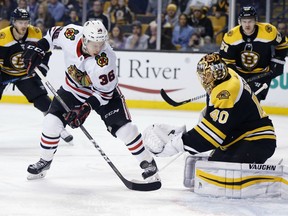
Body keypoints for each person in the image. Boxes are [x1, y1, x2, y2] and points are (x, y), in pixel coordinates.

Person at [22, 20, 159, 181]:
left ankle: (147, 162)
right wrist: (39, 48)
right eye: (95, 44)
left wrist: (86, 109)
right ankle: (45, 161)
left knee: (125, 130)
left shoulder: (106, 60)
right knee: (51, 123)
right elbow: (52, 34)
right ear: (85, 40)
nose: (99, 48)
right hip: (72, 90)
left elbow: (105, 93)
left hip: (102, 95)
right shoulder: (71, 34)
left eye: (102, 43)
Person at [143, 53, 276, 164]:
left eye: (206, 75)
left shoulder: (225, 92)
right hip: (239, 138)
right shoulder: (227, 74)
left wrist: (177, 144)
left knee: (221, 175)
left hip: (257, 140)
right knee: (212, 166)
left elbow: (213, 136)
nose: (204, 79)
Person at [0, 8, 73, 143]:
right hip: (4, 73)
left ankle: (59, 128)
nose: (24, 25)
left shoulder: (35, 33)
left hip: (25, 73)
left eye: (26, 22)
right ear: (13, 22)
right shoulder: (3, 37)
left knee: (42, 100)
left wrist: (42, 66)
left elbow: (46, 52)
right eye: (20, 22)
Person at [219, 6, 288, 101]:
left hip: (262, 74)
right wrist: (235, 77)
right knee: (236, 101)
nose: (247, 25)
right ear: (239, 22)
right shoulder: (231, 37)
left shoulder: (268, 32)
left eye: (250, 21)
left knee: (253, 101)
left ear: (256, 21)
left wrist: (278, 62)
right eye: (244, 21)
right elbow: (226, 60)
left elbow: (283, 44)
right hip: (240, 74)